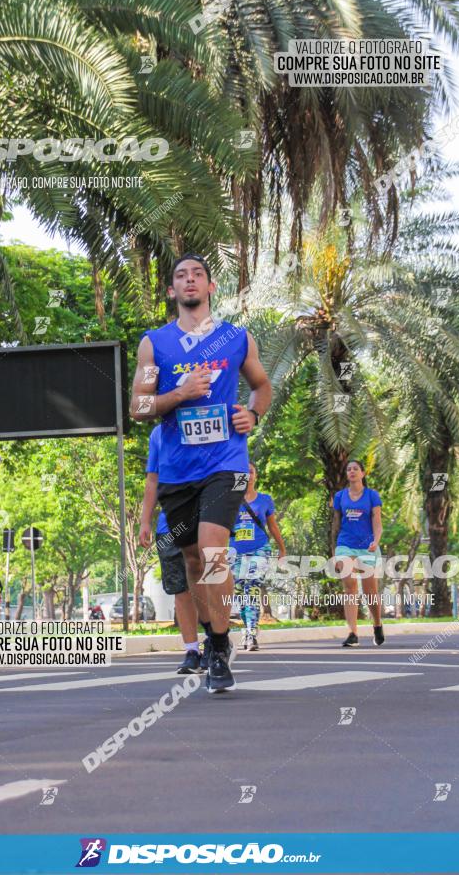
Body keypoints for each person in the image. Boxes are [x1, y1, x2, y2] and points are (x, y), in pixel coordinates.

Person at [130, 253, 272, 693]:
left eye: (198, 275)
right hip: (177, 470)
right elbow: (138, 406)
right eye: (180, 276)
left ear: (211, 287)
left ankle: (221, 641)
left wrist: (254, 413)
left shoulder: (236, 339)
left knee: (213, 550)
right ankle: (212, 638)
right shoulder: (154, 345)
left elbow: (262, 385)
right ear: (172, 290)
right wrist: (179, 393)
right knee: (193, 558)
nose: (189, 281)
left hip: (226, 463)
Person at [140, 423, 213, 674]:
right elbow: (153, 479)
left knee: (209, 582)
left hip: (207, 519)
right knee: (180, 589)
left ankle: (215, 641)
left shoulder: (207, 421)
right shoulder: (158, 434)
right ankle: (192, 650)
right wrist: (145, 521)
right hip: (169, 524)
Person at [229, 461, 286, 650]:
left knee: (252, 587)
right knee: (239, 591)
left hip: (260, 549)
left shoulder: (265, 500)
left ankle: (252, 633)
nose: (247, 475)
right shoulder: (230, 499)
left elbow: (273, 526)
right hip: (235, 551)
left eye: (251, 472)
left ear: (256, 476)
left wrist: (281, 548)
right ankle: (247, 629)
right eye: (243, 472)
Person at [332, 459, 385, 647]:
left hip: (367, 546)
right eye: (349, 469)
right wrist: (335, 550)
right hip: (345, 544)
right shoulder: (339, 496)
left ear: (363, 473)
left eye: (356, 469)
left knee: (370, 591)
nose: (352, 471)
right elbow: (336, 523)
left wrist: (375, 541)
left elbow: (377, 522)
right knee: (349, 586)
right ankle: (352, 633)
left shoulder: (372, 495)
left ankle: (377, 624)